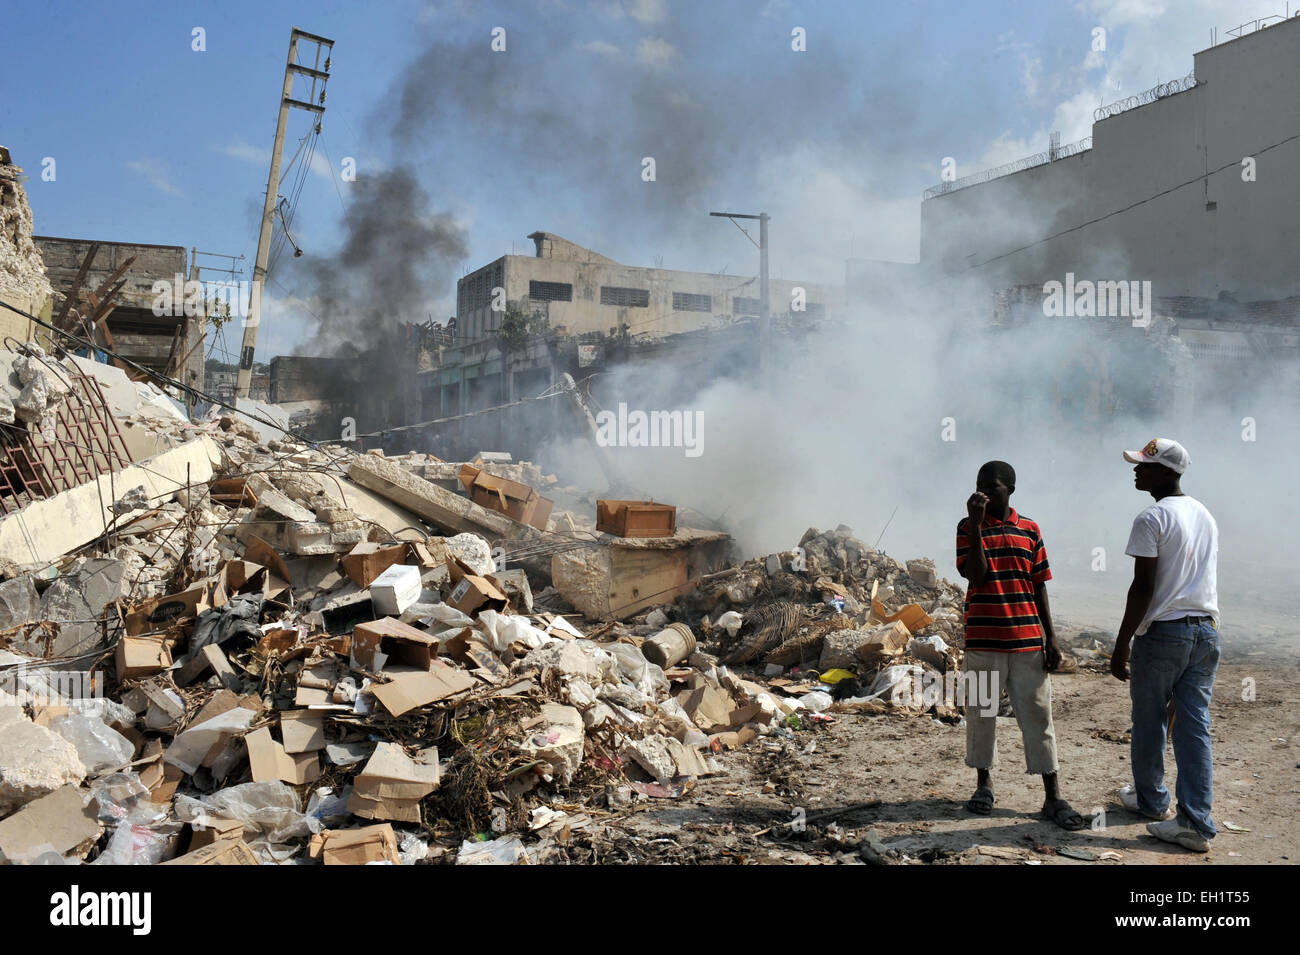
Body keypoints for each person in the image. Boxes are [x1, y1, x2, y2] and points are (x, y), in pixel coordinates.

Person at [956, 460, 1085, 830]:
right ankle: (984, 785)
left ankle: (1052, 795)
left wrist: (1052, 637)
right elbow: (975, 574)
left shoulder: (1030, 529)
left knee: (1038, 718)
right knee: (981, 714)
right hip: (983, 639)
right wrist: (978, 526)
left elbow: (1039, 584)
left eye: (991, 485)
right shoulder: (967, 528)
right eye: (979, 484)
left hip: (1027, 640)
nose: (982, 491)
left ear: (1010, 488)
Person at [1111, 438, 1219, 853]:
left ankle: (1152, 800)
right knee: (1194, 728)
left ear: (1168, 472)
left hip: (1163, 635)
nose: (1136, 470)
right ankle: (1195, 823)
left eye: (1145, 465)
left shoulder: (1152, 517)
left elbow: (1142, 587)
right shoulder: (1204, 514)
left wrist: (1122, 644)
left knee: (1150, 718)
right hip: (1206, 631)